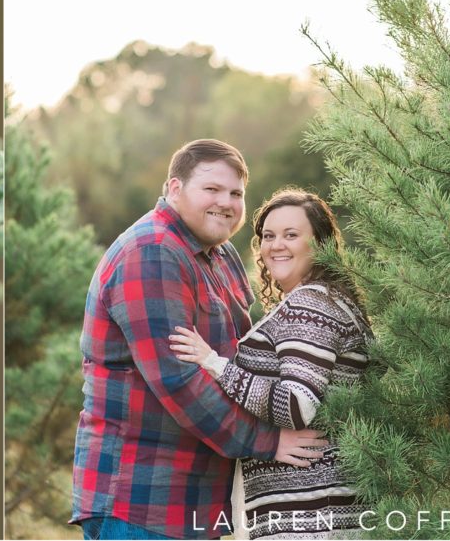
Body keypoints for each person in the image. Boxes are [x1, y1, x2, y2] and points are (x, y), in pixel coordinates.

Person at [71, 140, 328, 541]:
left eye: (236, 193)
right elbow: (180, 382)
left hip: (196, 501)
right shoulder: (152, 253)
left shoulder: (219, 254)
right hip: (142, 502)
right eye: (211, 189)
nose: (225, 202)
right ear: (174, 189)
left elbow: (247, 356)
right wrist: (270, 440)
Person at [169, 188, 374, 540]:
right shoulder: (329, 300)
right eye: (268, 236)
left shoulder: (310, 304)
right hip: (326, 505)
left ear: (321, 243)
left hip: (309, 513)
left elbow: (296, 405)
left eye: (291, 235)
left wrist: (215, 364)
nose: (276, 245)